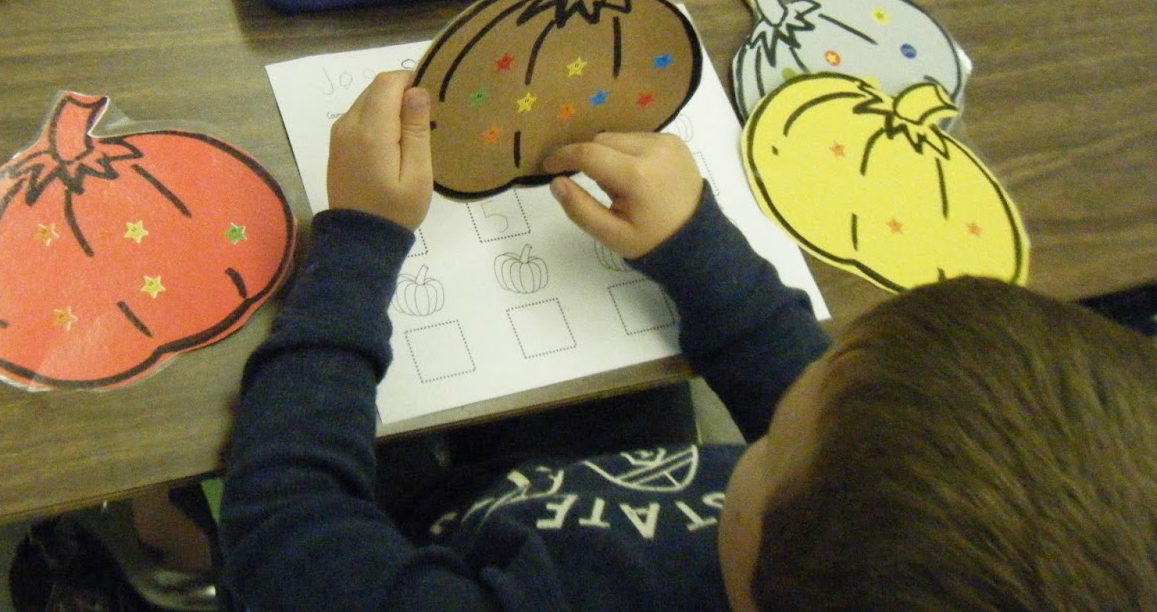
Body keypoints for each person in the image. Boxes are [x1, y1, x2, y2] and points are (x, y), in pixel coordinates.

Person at [217, 71, 1157, 611]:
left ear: (761, 542)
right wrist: (696, 246)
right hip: (580, 489)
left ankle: (166, 565)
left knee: (205, 452)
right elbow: (826, 411)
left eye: (776, 440)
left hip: (428, 546)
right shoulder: (835, 540)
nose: (794, 382)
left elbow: (282, 524)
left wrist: (358, 246)